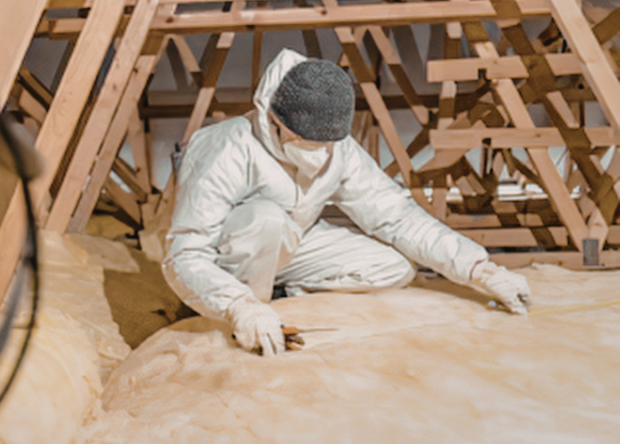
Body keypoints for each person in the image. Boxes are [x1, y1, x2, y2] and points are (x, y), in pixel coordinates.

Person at [163, 48, 531, 356]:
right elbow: (186, 253)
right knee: (266, 218)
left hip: (290, 245)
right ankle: (242, 312)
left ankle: (279, 296)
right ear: (273, 116)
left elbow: (395, 216)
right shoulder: (227, 147)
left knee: (392, 268)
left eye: (327, 141)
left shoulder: (337, 150)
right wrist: (237, 305)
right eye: (308, 139)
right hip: (232, 255)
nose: (320, 151)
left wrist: (480, 269)